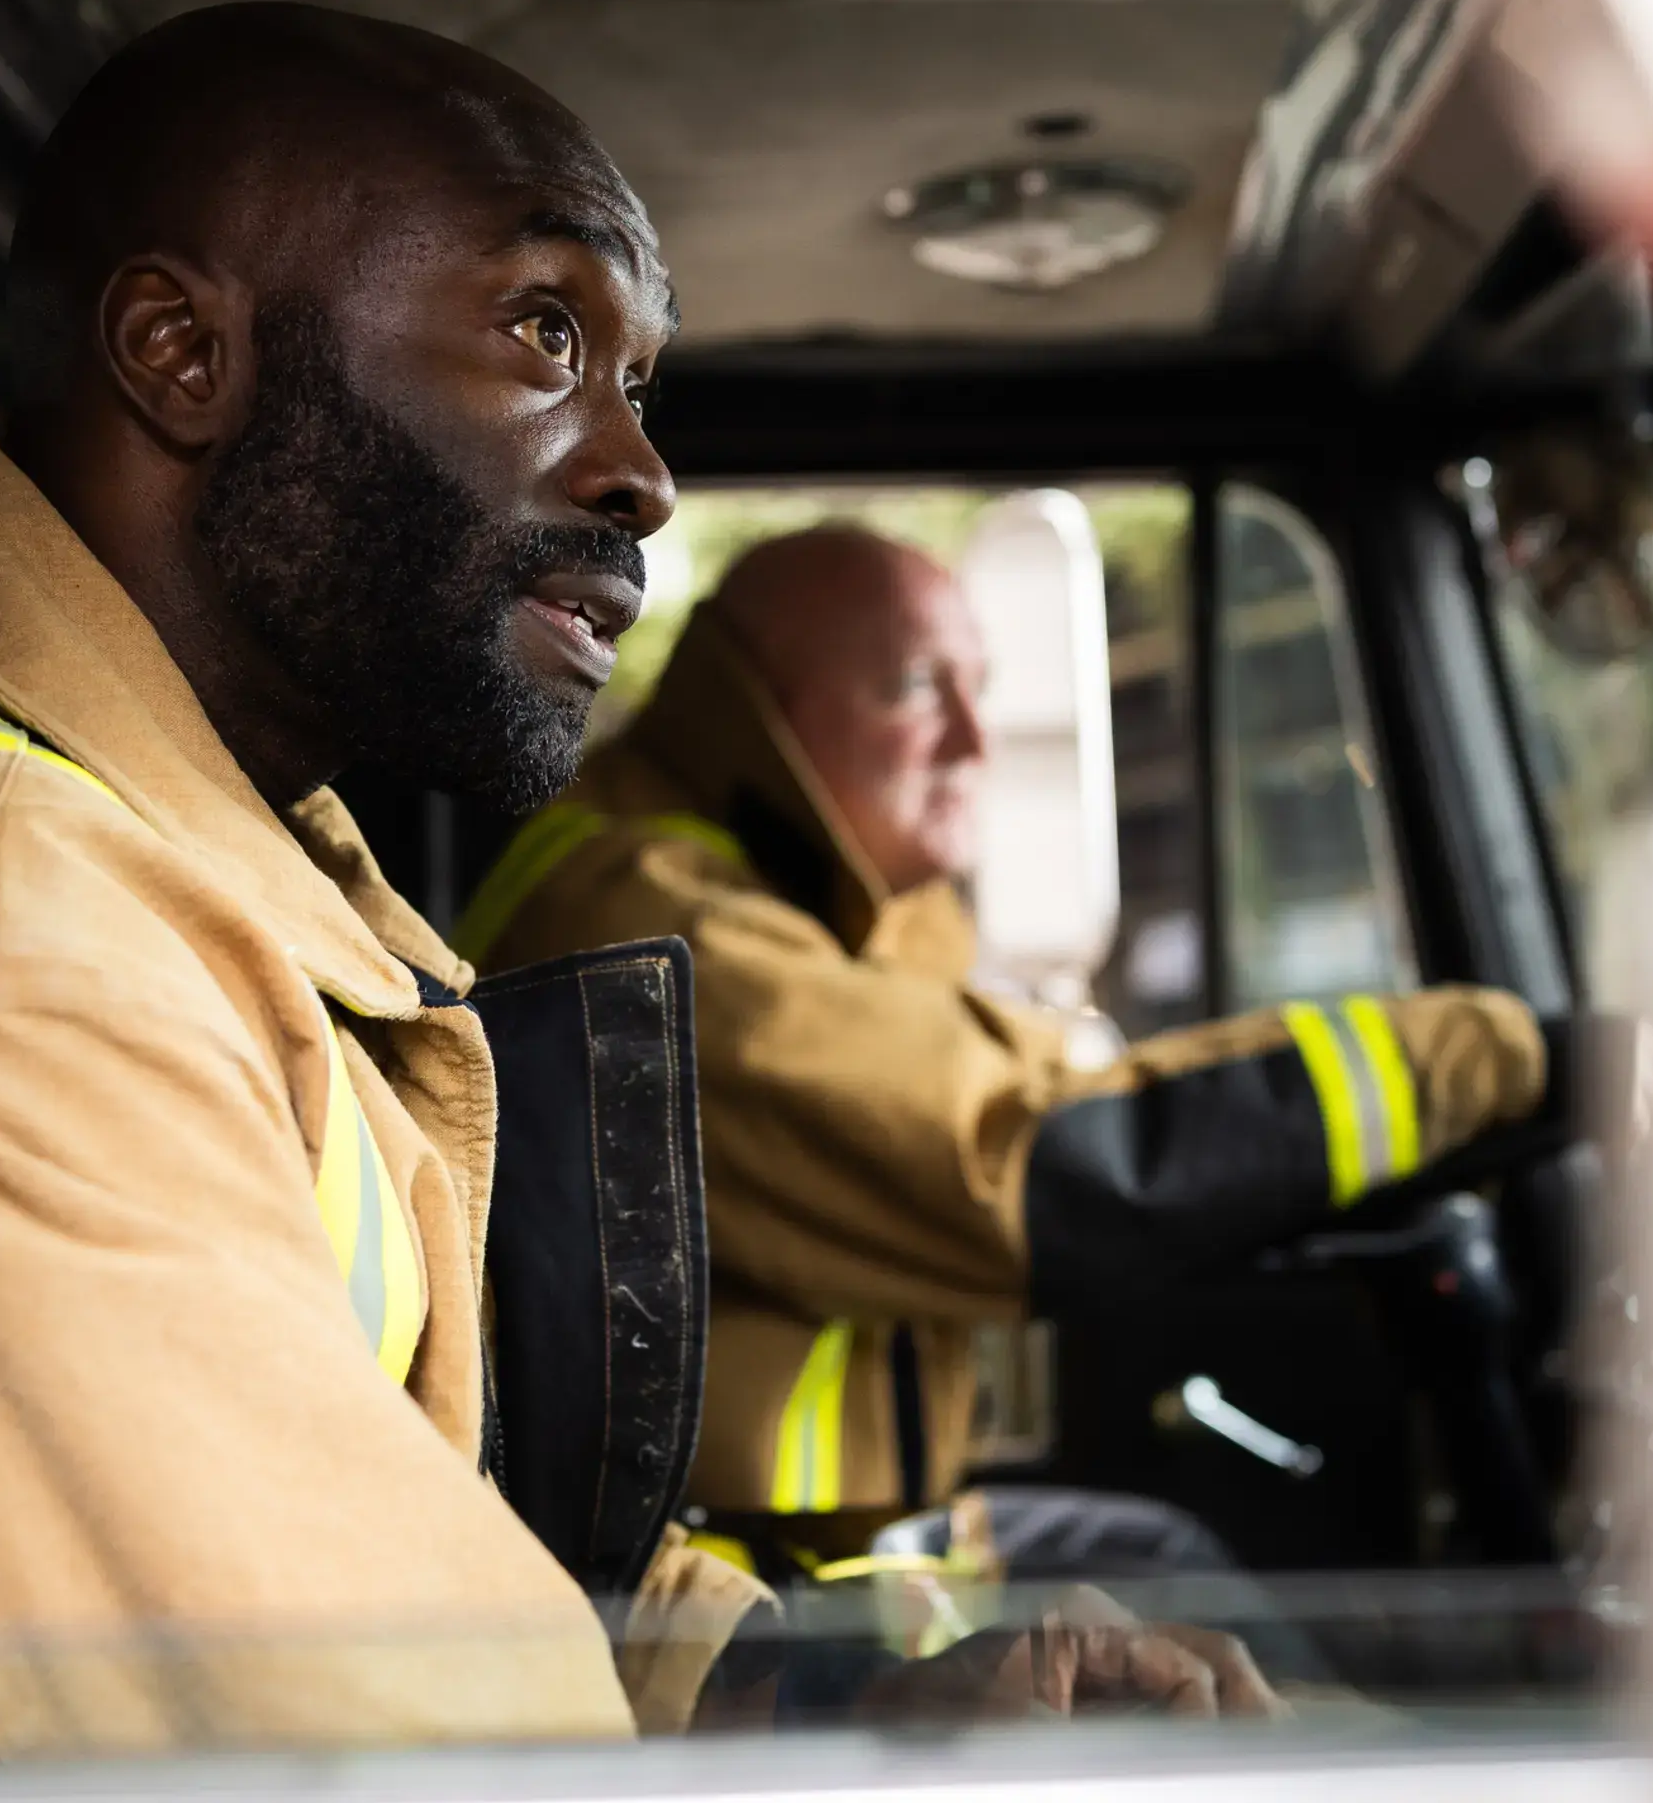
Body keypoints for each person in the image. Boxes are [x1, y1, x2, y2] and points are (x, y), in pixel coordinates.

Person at [0, 4, 1264, 1757]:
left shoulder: (172, 862)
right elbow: (359, 1793)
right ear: (181, 354)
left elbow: (422, 1532)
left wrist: (834, 1711)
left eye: (638, 376)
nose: (641, 474)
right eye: (545, 334)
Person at [453, 522, 1560, 1570]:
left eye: (977, 688)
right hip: (721, 1594)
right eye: (916, 686)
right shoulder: (657, 924)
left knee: (1169, 1561)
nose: (975, 741)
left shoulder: (799, 910)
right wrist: (1496, 1055)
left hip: (827, 1548)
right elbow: (1028, 1161)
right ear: (756, 712)